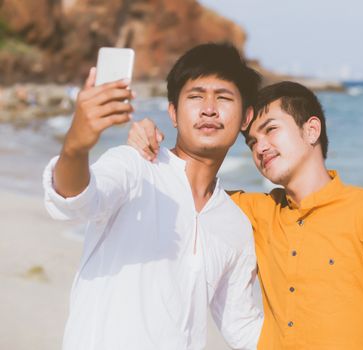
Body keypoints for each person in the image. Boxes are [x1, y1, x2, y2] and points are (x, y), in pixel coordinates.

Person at [129, 81, 363, 349]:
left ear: (311, 130)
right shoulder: (254, 212)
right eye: (252, 142)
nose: (260, 147)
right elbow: (187, 188)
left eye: (270, 130)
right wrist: (149, 142)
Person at [42, 43, 264, 350]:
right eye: (196, 96)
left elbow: (242, 326)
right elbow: (74, 199)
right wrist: (76, 146)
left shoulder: (235, 224)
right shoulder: (135, 166)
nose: (209, 109)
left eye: (224, 97)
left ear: (245, 118)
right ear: (172, 112)